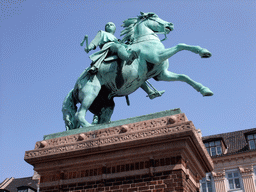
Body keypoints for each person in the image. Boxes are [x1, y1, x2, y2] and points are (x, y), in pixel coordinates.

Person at [84, 22, 165, 99]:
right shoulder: (102, 33)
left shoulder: (116, 39)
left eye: (111, 25)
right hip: (109, 47)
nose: (109, 25)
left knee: (137, 72)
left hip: (119, 48)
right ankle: (128, 57)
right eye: (107, 25)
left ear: (114, 29)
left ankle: (150, 92)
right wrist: (90, 47)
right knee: (119, 47)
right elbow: (95, 41)